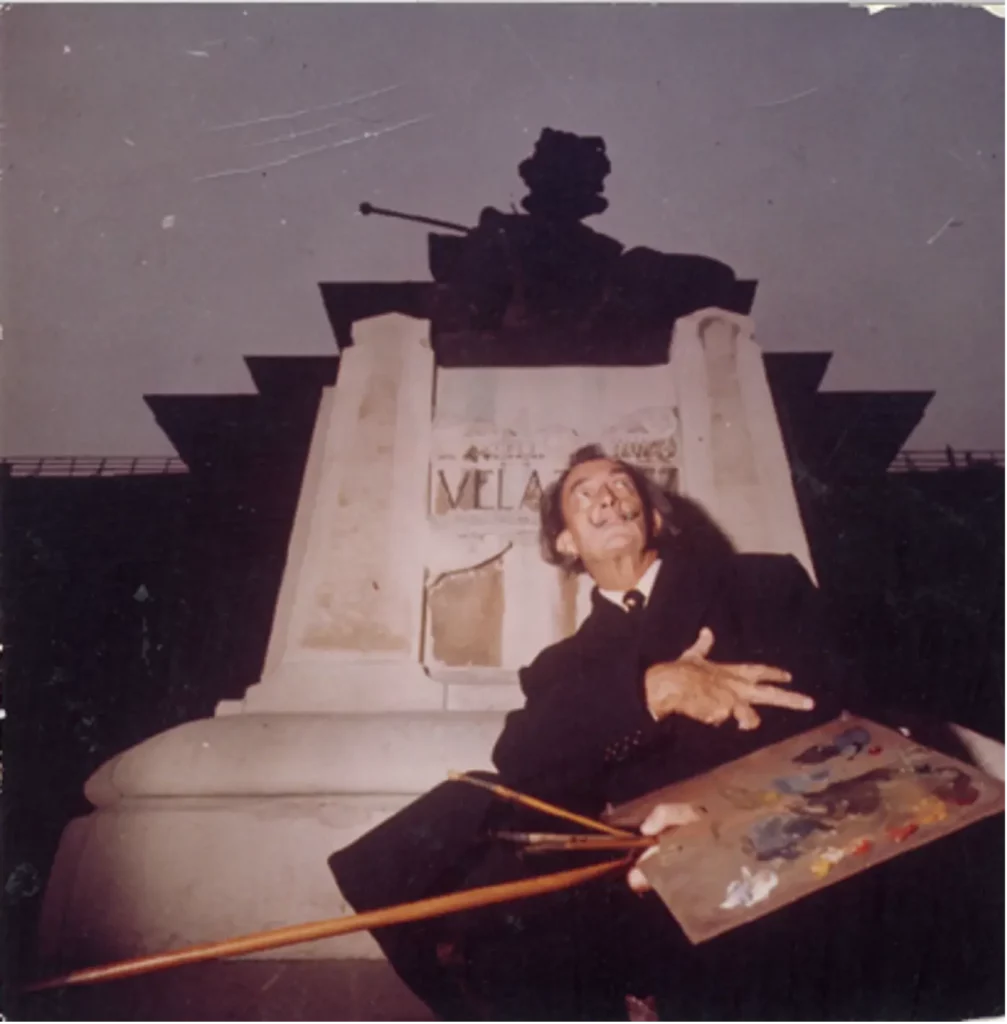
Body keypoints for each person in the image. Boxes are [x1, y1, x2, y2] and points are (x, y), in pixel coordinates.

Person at [329, 445, 1003, 1022]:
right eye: (582, 493)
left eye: (622, 485)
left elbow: (832, 695)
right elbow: (527, 762)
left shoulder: (758, 580)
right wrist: (649, 693)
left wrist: (713, 813)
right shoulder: (557, 668)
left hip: (805, 853)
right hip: (652, 881)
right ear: (565, 541)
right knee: (434, 834)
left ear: (651, 517)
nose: (606, 496)